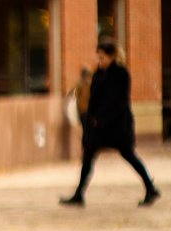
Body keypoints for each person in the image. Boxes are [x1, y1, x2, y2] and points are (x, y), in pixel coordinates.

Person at [60, 40, 159, 207]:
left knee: (129, 155)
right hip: (98, 126)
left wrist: (104, 119)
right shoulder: (98, 73)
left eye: (103, 56)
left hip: (117, 125)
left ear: (112, 56)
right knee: (88, 157)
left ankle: (150, 188)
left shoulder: (121, 74)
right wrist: (90, 120)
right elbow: (93, 99)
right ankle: (79, 194)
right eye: (98, 56)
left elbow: (120, 101)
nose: (100, 60)